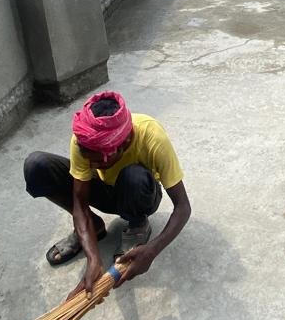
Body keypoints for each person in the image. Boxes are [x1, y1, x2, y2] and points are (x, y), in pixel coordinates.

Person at [23, 90, 191, 296]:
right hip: (103, 190)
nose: (91, 164)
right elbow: (80, 201)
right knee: (37, 166)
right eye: (88, 158)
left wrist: (152, 250)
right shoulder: (84, 139)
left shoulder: (151, 135)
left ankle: (137, 224)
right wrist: (93, 259)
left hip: (139, 193)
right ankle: (93, 226)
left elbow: (183, 207)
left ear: (121, 145)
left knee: (134, 175)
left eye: (97, 159)